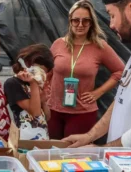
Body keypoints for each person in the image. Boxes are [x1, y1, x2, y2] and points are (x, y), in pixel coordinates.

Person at [63, 0, 131, 161]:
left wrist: (104, 151)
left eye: (112, 15)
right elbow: (122, 98)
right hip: (128, 167)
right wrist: (90, 135)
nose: (110, 24)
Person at [44, 0, 124, 140]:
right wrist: (46, 88)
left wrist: (98, 92)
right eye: (76, 20)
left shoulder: (100, 46)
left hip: (82, 112)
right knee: (51, 152)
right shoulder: (58, 44)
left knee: (73, 154)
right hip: (53, 110)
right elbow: (48, 70)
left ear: (91, 22)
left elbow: (120, 71)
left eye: (85, 21)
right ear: (70, 21)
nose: (80, 25)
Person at [4, 44, 54, 140]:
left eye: (44, 73)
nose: (40, 75)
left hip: (42, 137)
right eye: (39, 70)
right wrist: (33, 83)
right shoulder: (13, 83)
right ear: (27, 64)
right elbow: (35, 113)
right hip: (25, 139)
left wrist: (43, 101)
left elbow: (46, 118)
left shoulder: (34, 85)